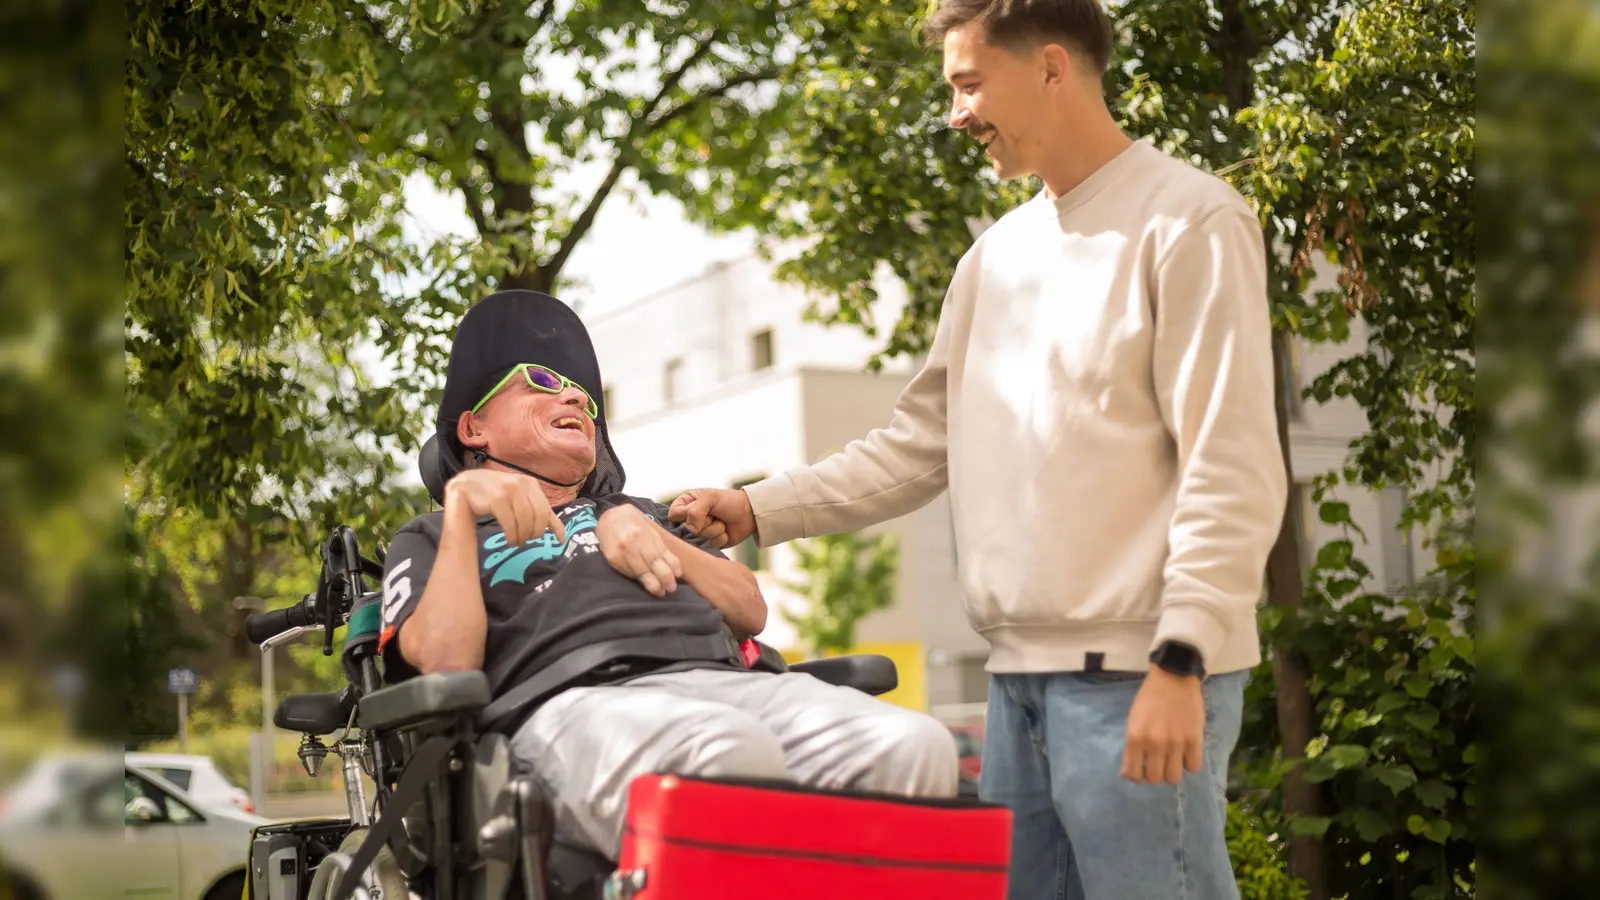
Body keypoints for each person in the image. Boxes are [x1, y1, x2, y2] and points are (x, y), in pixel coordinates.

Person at [668, 1, 1287, 898]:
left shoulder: (1188, 222)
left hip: (1142, 672)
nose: (956, 113)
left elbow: (1230, 466)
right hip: (1017, 687)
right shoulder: (993, 261)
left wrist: (1183, 655)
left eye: (967, 84)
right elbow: (917, 446)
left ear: (1048, 68)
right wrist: (759, 507)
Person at [375, 289, 959, 861]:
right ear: (474, 428)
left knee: (913, 747)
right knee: (724, 754)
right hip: (570, 705)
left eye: (586, 399)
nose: (577, 401)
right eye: (545, 381)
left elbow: (749, 609)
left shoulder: (643, 511)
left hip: (726, 684)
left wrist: (651, 535)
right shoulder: (433, 537)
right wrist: (460, 509)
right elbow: (445, 663)